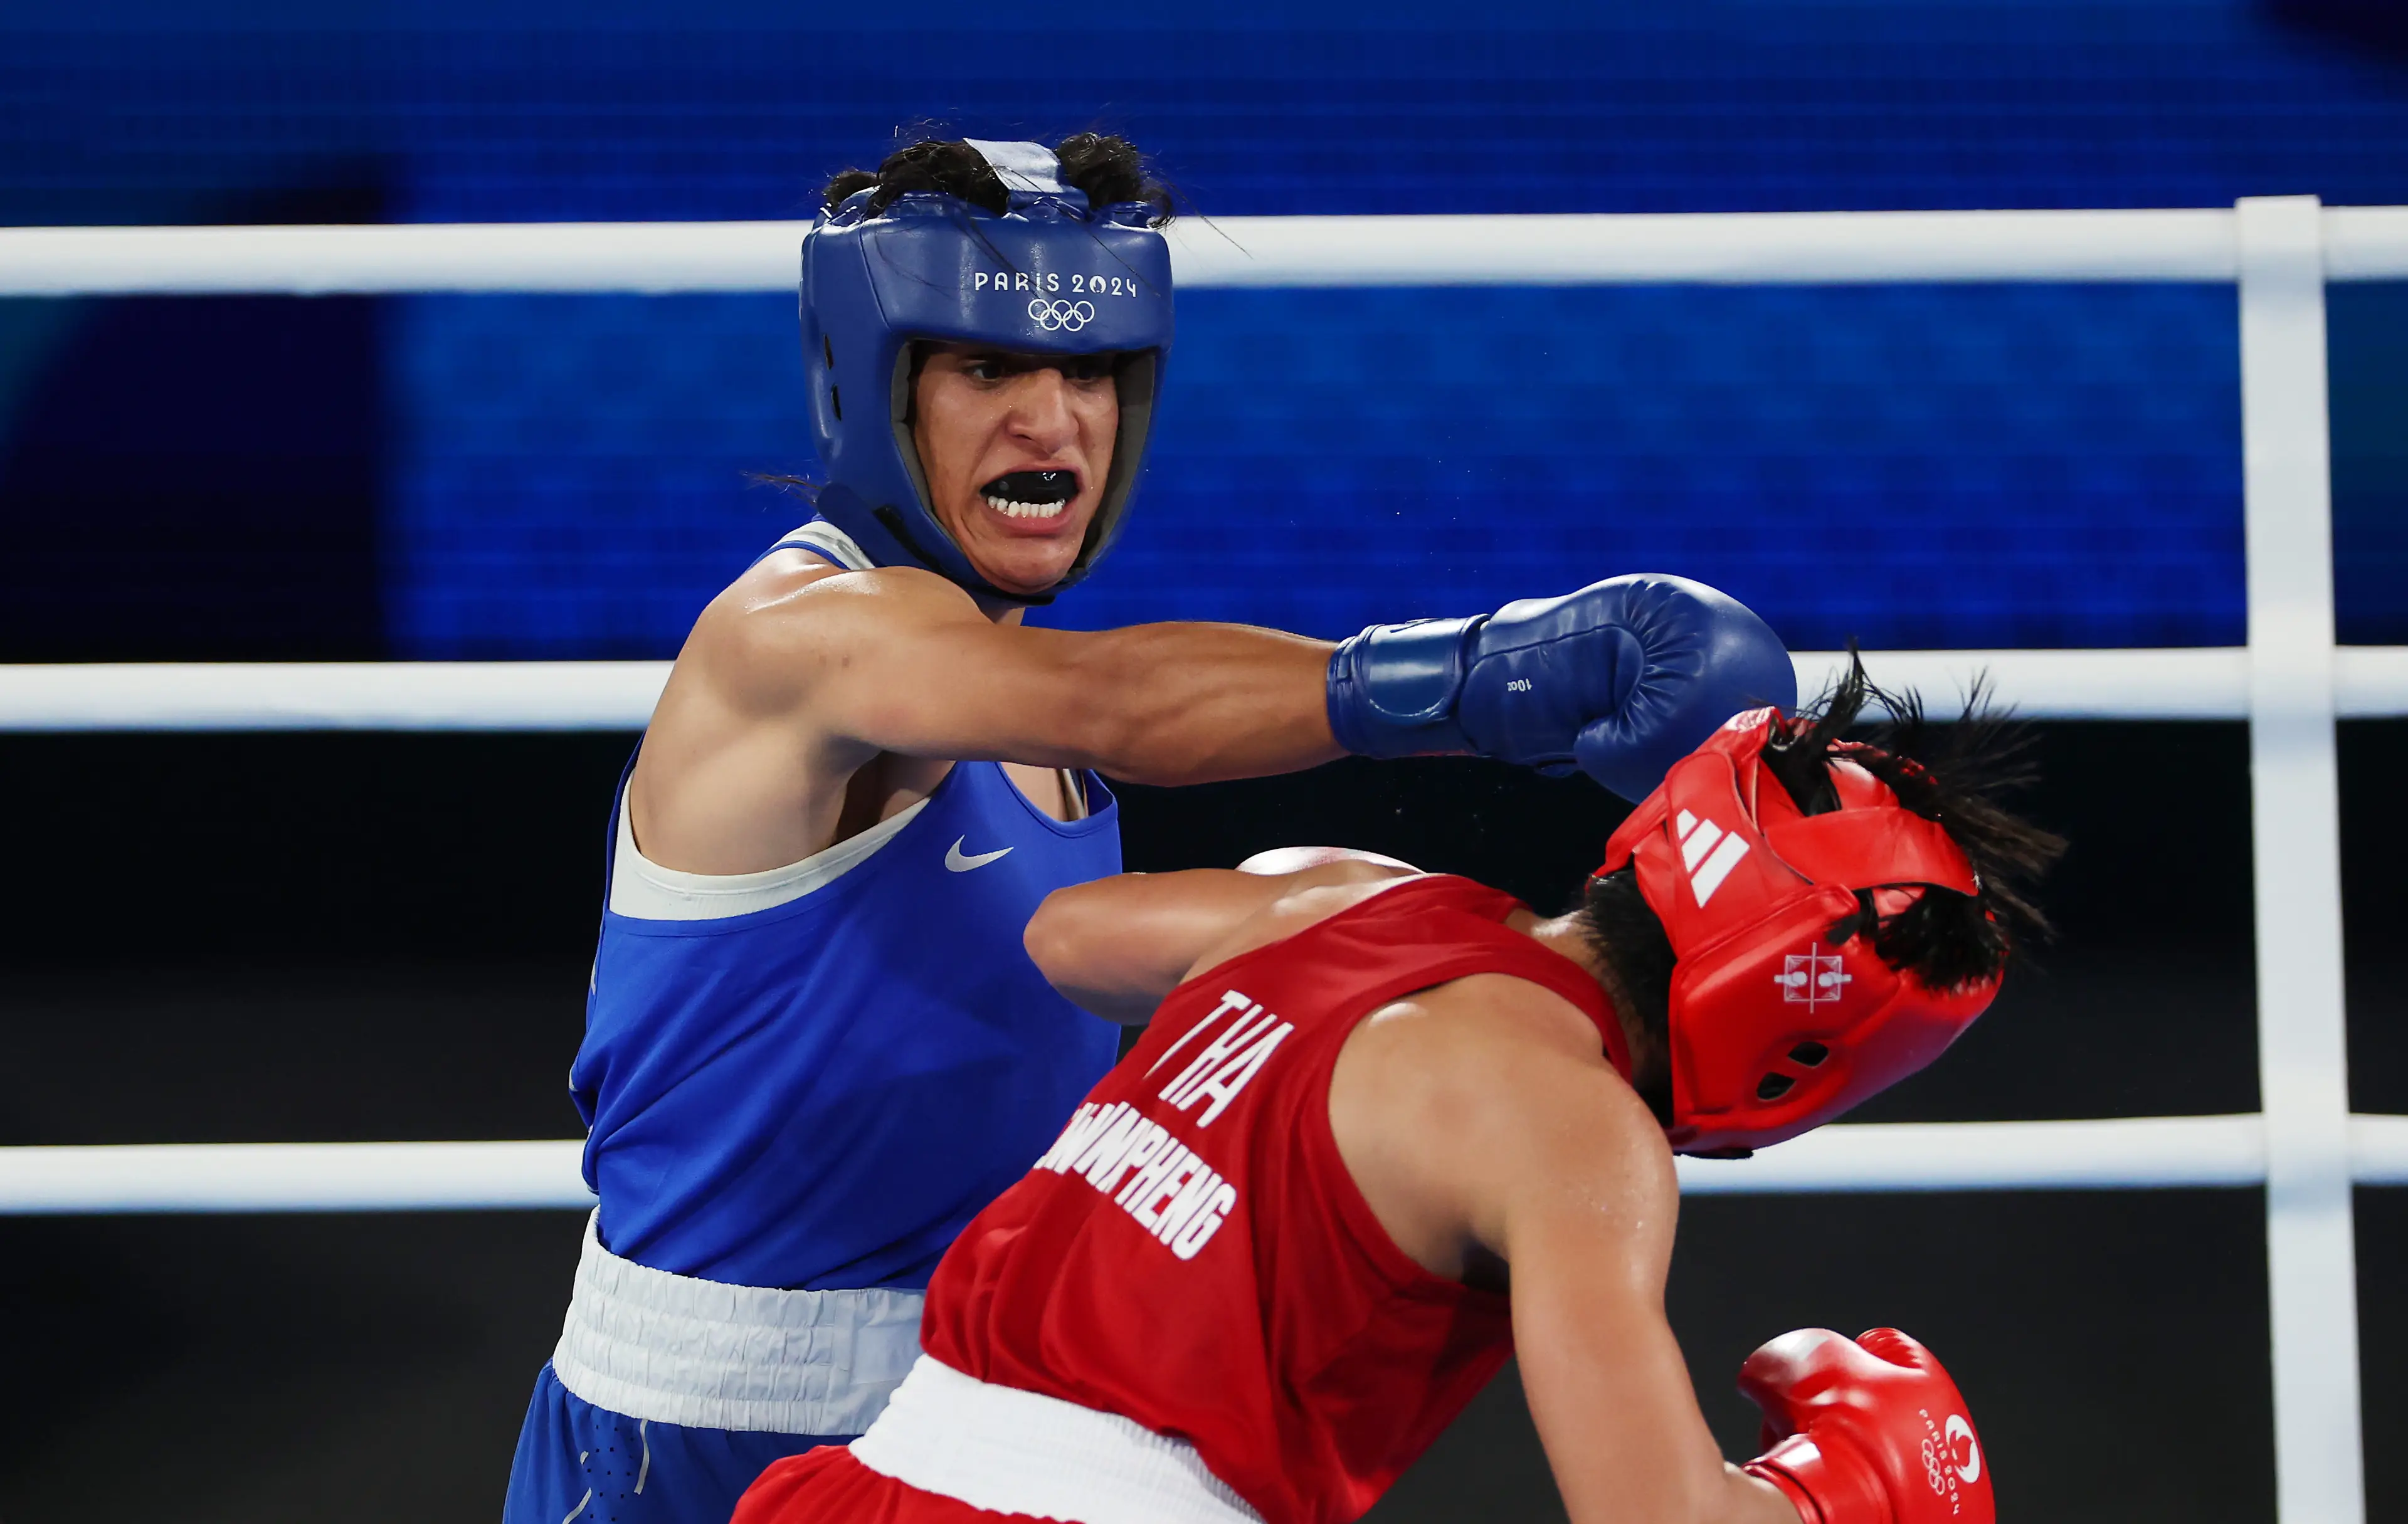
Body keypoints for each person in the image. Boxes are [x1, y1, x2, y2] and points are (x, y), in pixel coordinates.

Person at [501, 133, 1801, 1523]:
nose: (1052, 421)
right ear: (875, 385)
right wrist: (1483, 676)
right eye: (988, 369)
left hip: (974, 1439)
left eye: (1091, 373)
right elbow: (1113, 699)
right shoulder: (797, 640)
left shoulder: (1026, 716)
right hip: (703, 1431)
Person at [730, 663, 2062, 1524]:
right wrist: (1854, 1494)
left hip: (859, 1484)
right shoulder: (1578, 1133)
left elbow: (1069, 937)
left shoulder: (1348, 890)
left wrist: (1274, 991)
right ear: (1806, 1054)